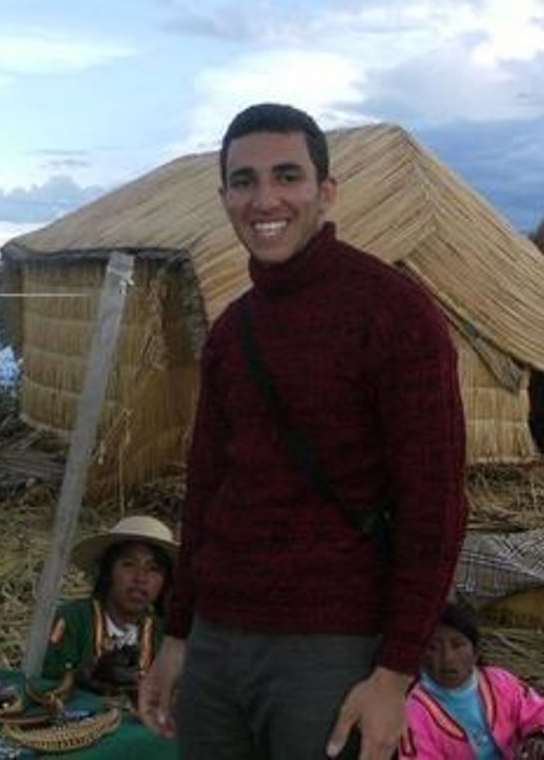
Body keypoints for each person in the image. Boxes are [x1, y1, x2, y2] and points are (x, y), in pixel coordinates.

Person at [138, 103, 468, 760]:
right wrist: (178, 638)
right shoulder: (233, 331)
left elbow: (435, 507)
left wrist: (395, 674)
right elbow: (205, 493)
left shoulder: (395, 315)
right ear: (225, 197)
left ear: (326, 191)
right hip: (218, 644)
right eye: (244, 181)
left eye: (287, 176)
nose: (266, 198)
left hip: (330, 647)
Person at [401, 602, 544, 759]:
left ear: (476, 652)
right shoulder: (414, 711)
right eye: (433, 647)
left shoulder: (500, 682)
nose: (447, 658)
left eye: (458, 645)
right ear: (421, 655)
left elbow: (542, 713)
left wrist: (540, 737)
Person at [43, 515, 177, 696]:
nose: (141, 578)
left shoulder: (165, 635)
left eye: (153, 569)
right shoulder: (73, 619)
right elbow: (45, 681)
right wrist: (83, 677)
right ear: (107, 572)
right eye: (129, 565)